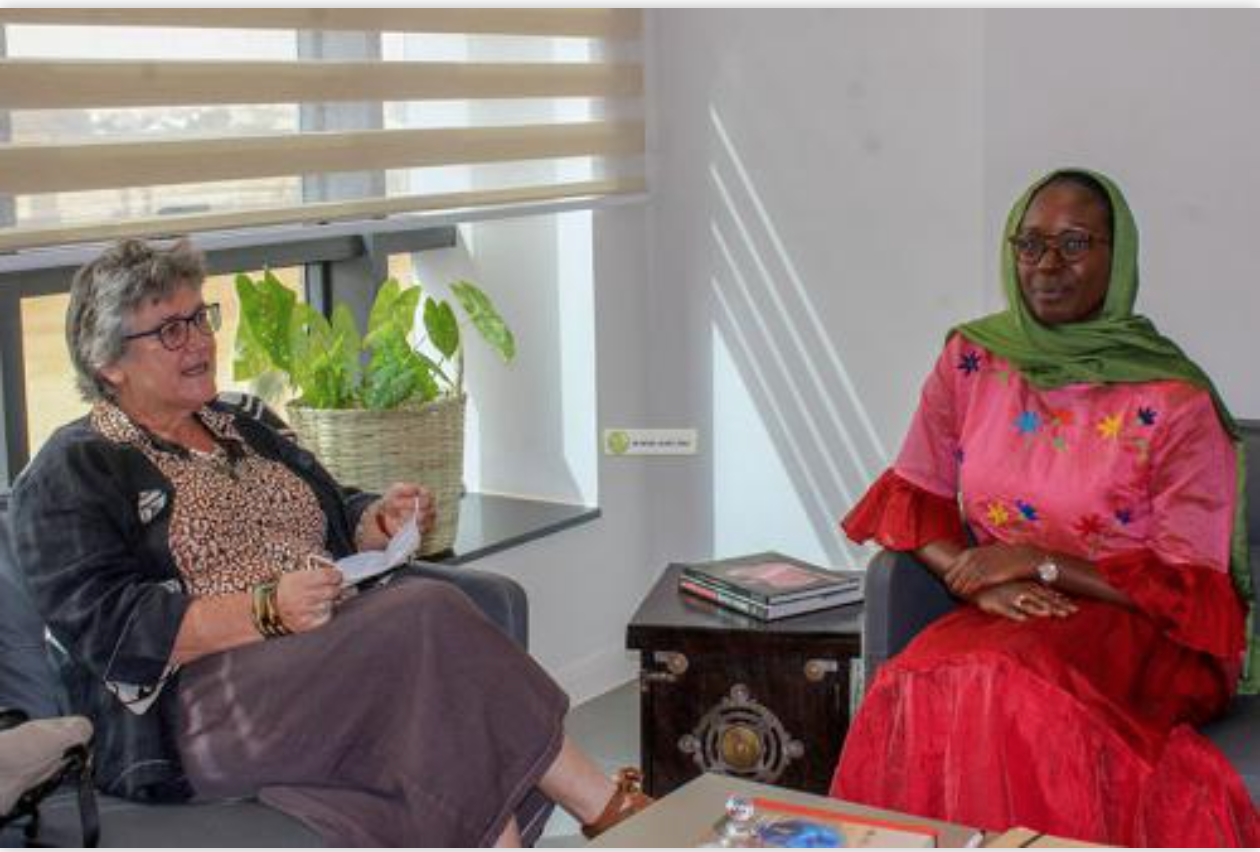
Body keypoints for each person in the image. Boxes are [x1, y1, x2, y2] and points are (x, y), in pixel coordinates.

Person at [10, 239, 652, 846]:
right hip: (202, 707)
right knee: (426, 614)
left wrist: (375, 520)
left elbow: (330, 510)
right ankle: (607, 808)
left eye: (200, 318)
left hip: (331, 653)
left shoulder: (243, 421)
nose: (199, 341)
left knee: (432, 709)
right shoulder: (72, 470)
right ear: (108, 362)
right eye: (168, 330)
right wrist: (267, 609)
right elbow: (112, 631)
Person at [830, 169, 1259, 846]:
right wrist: (971, 577)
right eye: (1029, 245)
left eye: (1074, 243)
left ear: (1118, 258)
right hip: (1005, 612)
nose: (1046, 266)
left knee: (1010, 691)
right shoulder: (973, 360)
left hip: (1141, 627)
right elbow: (916, 495)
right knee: (913, 682)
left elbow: (1184, 590)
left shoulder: (1176, 400)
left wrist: (1037, 564)